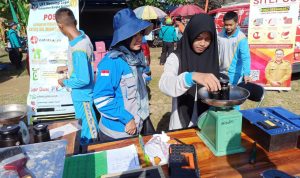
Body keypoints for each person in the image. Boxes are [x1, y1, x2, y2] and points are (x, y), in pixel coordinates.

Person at [93, 8, 153, 142]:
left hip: (136, 127)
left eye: (141, 33)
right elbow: (101, 98)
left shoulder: (135, 57)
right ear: (124, 37)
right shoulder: (111, 62)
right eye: (134, 35)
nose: (140, 39)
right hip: (117, 133)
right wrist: (127, 118)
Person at [159, 14, 221, 130]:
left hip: (208, 118)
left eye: (207, 39)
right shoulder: (176, 57)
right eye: (198, 38)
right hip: (182, 119)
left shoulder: (211, 56)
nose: (203, 43)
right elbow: (164, 84)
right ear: (190, 34)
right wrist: (191, 77)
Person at [55, 8, 99, 145]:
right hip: (82, 96)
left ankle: (93, 154)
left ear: (60, 26)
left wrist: (65, 82)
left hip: (83, 97)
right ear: (75, 21)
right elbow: (84, 64)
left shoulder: (78, 48)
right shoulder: (83, 37)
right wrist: (68, 67)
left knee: (90, 132)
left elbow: (83, 79)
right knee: (84, 128)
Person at [218, 11, 251, 85]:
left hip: (234, 74)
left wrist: (246, 74)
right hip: (220, 72)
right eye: (226, 25)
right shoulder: (219, 35)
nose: (228, 27)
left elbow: (245, 57)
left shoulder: (241, 38)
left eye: (231, 25)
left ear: (236, 24)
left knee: (231, 95)